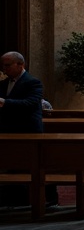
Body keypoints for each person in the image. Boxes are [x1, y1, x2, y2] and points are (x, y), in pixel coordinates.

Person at [1, 52, 58, 207]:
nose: (4, 69)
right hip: (8, 130)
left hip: (28, 129)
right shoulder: (4, 84)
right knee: (13, 165)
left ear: (21, 65)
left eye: (7, 65)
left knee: (32, 164)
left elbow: (31, 104)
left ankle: (45, 199)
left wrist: (5, 103)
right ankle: (16, 198)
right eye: (3, 65)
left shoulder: (33, 82)